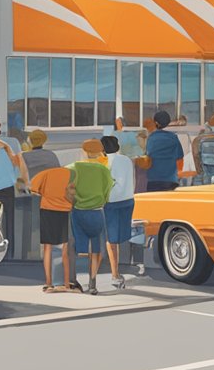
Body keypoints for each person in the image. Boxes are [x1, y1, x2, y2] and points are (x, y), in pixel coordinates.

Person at [69, 143, 113, 295]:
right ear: (100, 152)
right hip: (97, 212)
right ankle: (92, 283)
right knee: (96, 248)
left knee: (74, 246)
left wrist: (74, 200)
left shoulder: (73, 167)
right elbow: (108, 190)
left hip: (78, 212)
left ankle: (72, 280)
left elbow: (66, 186)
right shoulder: (103, 170)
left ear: (84, 151)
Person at [29, 165, 75, 292]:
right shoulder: (72, 173)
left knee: (47, 247)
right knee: (64, 249)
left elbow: (32, 189)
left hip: (47, 211)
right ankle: (65, 283)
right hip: (65, 211)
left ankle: (48, 282)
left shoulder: (45, 173)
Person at [101, 135, 136, 290]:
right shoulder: (127, 160)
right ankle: (125, 269)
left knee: (111, 240)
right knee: (124, 235)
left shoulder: (105, 163)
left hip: (112, 202)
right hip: (128, 200)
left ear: (103, 149)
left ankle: (115, 275)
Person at [144, 111, 185, 192]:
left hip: (152, 180)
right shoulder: (174, 138)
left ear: (155, 123)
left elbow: (147, 157)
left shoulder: (151, 138)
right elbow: (180, 159)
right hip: (170, 181)